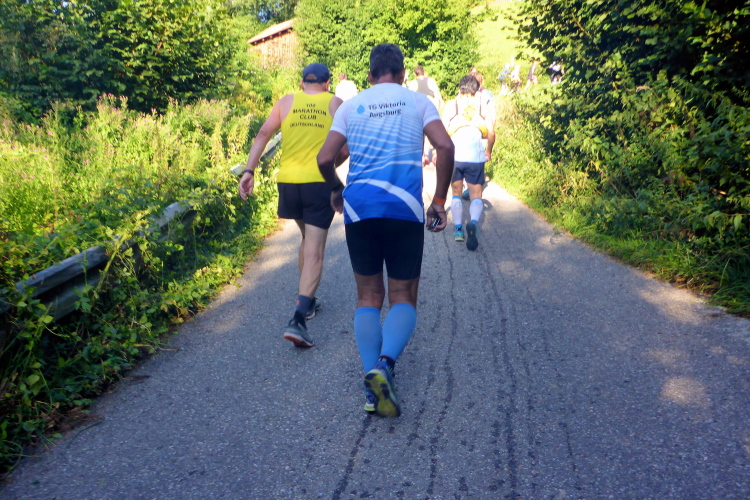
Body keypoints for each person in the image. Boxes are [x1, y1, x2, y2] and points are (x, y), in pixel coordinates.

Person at [317, 43, 454, 418]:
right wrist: (439, 200)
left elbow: (325, 157)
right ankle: (385, 364)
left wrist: (336, 189)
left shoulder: (351, 106)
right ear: (403, 74)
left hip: (359, 208)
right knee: (403, 295)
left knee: (368, 296)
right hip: (403, 209)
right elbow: (444, 145)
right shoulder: (418, 102)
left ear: (370, 75)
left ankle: (371, 384)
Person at [239, 63, 347, 348]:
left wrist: (249, 171)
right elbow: (346, 149)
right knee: (315, 251)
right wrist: (331, 170)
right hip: (318, 183)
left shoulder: (286, 102)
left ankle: (307, 301)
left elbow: (263, 134)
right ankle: (298, 320)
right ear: (327, 84)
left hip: (288, 182)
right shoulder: (335, 103)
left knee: (306, 239)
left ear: (302, 83)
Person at [442, 75, 495, 251]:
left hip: (455, 157)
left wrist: (439, 153)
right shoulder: (482, 105)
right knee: (476, 195)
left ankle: (458, 229)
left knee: (456, 193)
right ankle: (472, 222)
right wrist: (488, 151)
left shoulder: (452, 104)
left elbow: (442, 131)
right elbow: (491, 133)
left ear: (460, 88)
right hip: (475, 158)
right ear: (477, 90)